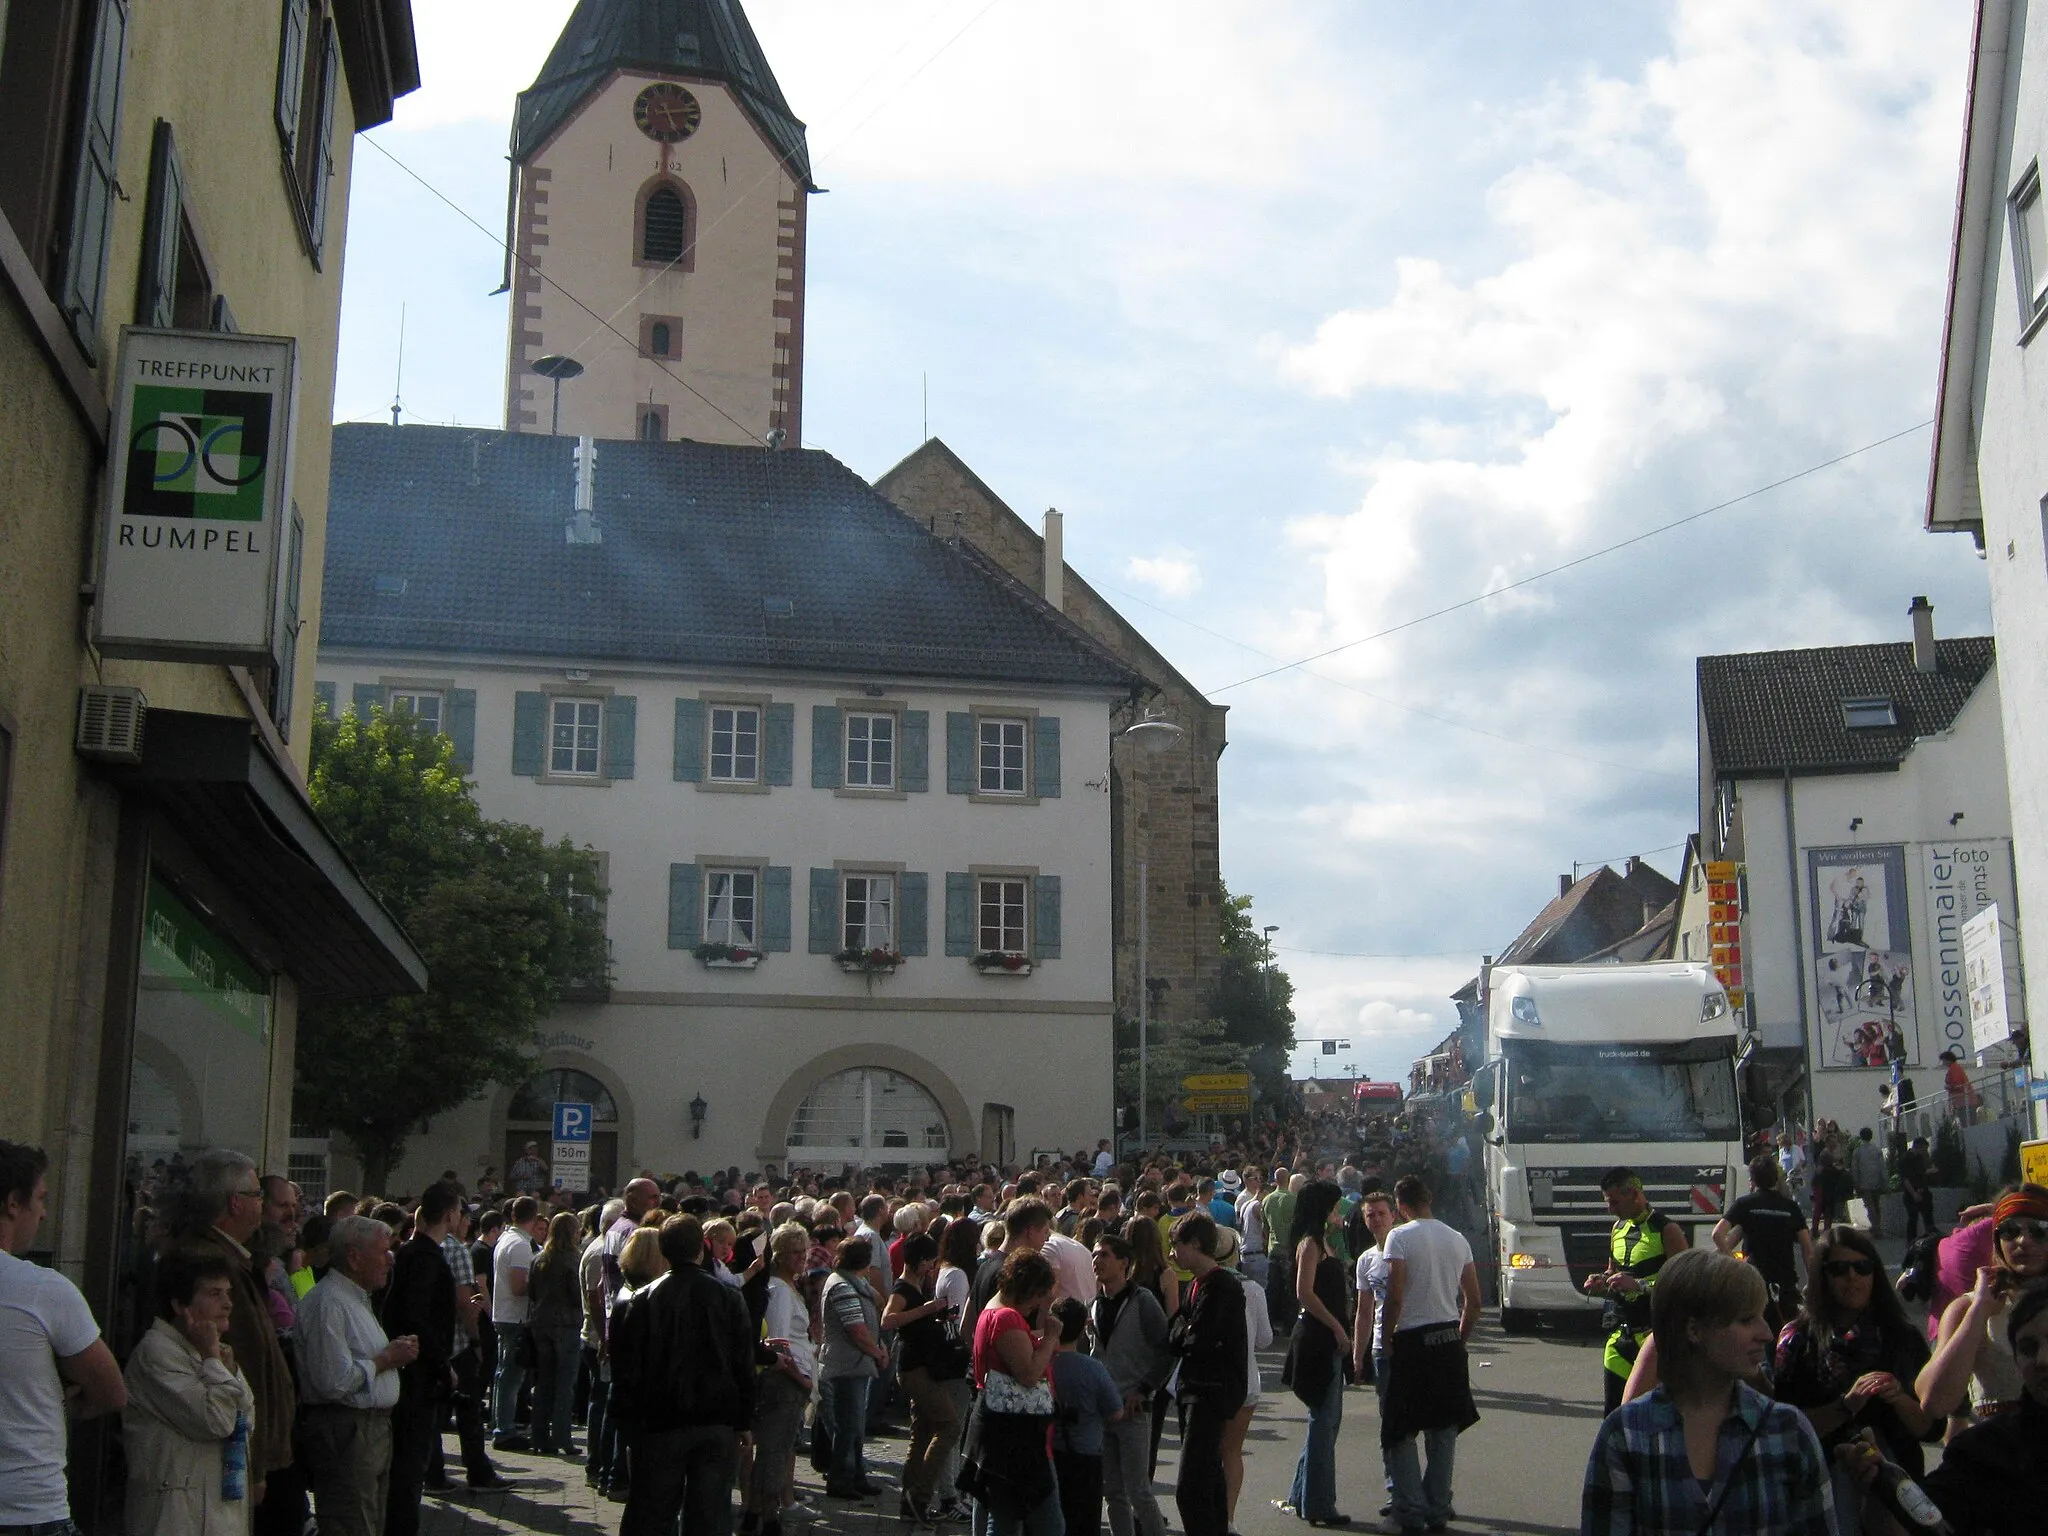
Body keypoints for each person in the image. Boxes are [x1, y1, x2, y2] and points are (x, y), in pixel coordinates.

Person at [1581, 1249, 1834, 1536]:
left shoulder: (1788, 1430)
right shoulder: (1626, 1435)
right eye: (1746, 1319)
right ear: (1694, 1330)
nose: (1766, 1333)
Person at [1769, 1226, 1933, 1530]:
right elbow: (1785, 1427)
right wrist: (1847, 1406)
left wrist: (1898, 1398)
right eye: (1839, 1269)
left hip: (1895, 1482)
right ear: (1822, 1277)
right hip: (1824, 1478)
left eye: (1862, 1267)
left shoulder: (1900, 1337)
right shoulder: (1798, 1340)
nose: (1852, 1278)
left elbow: (1930, 1427)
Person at [0, 1140, 126, 1535]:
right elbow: (111, 1391)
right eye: (40, 1199)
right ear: (12, 1204)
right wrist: (64, 1402)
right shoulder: (40, 1290)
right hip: (28, 1508)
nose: (43, 1214)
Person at [608, 1216, 754, 1536]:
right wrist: (744, 1420)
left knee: (652, 1512)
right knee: (710, 1514)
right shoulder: (729, 1297)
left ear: (663, 1250)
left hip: (660, 1419)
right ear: (700, 1251)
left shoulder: (640, 1300)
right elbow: (743, 1362)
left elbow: (626, 1370)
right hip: (714, 1418)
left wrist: (626, 1424)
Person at [176, 1150, 295, 1510]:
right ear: (234, 1203)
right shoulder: (214, 1264)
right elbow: (240, 1366)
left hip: (265, 1454)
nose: (262, 1207)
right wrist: (252, 1466)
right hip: (246, 1460)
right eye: (257, 1196)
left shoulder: (235, 1260)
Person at [296, 1216, 419, 1536]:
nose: (390, 1259)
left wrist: (391, 1356)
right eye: (383, 1251)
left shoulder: (355, 1297)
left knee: (369, 1521)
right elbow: (333, 1380)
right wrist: (385, 1358)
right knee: (351, 1522)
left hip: (369, 1429)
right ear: (354, 1257)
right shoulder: (328, 1302)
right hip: (347, 1429)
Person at [123, 1247, 257, 1536]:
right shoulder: (157, 1353)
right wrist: (212, 1360)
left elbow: (246, 1420)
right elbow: (217, 1421)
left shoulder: (216, 1353)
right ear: (180, 1305)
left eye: (227, 1293)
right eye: (214, 1294)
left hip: (217, 1512)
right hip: (179, 1516)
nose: (227, 1304)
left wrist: (220, 1363)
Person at [1378, 1175, 1479, 1536]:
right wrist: (1460, 1337)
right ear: (1429, 1199)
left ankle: (1410, 1507)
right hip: (1448, 1339)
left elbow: (1396, 1293)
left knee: (1400, 1430)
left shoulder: (1399, 1236)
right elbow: (1474, 1300)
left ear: (1401, 1206)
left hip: (1413, 1339)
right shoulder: (1457, 1238)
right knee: (1443, 1429)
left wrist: (1387, 1337)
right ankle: (1438, 1507)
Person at [1918, 1279, 2048, 1534]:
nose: (2043, 1360)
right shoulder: (1982, 1453)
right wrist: (1883, 1486)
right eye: (2028, 1348)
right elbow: (1916, 1520)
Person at [1917, 1184, 2048, 1428]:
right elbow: (1935, 1403)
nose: (2023, 1241)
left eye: (2038, 1230)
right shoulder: (1970, 1307)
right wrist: (1979, 1311)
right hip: (2005, 1457)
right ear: (1997, 1240)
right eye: (2009, 1231)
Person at [378, 1182, 460, 1536]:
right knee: (409, 1466)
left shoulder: (410, 1255)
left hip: (410, 1370)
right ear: (448, 1215)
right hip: (416, 1375)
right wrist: (442, 1363)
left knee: (406, 1467)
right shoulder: (424, 1259)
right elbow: (417, 1316)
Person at [962, 1249, 1062, 1536]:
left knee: (998, 1512)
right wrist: (1051, 1337)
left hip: (999, 1431)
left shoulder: (993, 1312)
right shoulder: (1006, 1318)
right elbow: (1029, 1374)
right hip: (1016, 1437)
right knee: (1037, 1522)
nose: (1040, 1303)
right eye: (1039, 1294)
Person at [1169, 1210, 1248, 1536]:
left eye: (1177, 1245)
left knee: (1191, 1488)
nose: (1172, 1253)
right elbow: (1179, 1334)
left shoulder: (1221, 1286)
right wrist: (1181, 1330)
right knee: (1210, 1479)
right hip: (1194, 1388)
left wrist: (1181, 1329)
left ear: (1196, 1243)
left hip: (1211, 1391)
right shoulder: (1197, 1285)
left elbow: (1195, 1340)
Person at [1586, 1168, 1689, 1413]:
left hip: (1655, 1339)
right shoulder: (1618, 1228)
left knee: (1652, 1415)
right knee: (1614, 1416)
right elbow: (1613, 1271)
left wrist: (1640, 1286)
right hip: (1620, 1337)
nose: (1610, 1209)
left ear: (1633, 1193)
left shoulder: (1666, 1229)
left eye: (1614, 1202)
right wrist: (1601, 1280)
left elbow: (1685, 1285)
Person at [1090, 1234, 1173, 1536]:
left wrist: (1145, 1388)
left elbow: (1166, 1350)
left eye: (1104, 1256)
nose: (1096, 1261)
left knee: (1139, 1491)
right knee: (1112, 1492)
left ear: (1124, 1263)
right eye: (1095, 1255)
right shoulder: (1095, 1304)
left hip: (1134, 1408)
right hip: (1104, 1409)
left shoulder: (1142, 1301)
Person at [1281, 1179, 1351, 1526]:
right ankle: (1319, 1503)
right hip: (1318, 1339)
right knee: (1324, 1422)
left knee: (1325, 1421)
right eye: (1335, 1206)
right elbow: (1304, 1292)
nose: (1339, 1213)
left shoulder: (1323, 1240)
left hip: (1326, 1337)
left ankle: (1302, 1493)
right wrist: (1337, 1326)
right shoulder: (1311, 1244)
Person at [884, 1233, 963, 1523]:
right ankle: (920, 1495)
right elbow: (889, 1319)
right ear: (919, 1262)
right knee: (949, 1426)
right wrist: (928, 1309)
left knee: (922, 1432)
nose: (932, 1268)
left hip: (918, 1365)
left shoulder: (915, 1284)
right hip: (915, 1368)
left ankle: (910, 1498)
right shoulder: (904, 1288)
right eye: (929, 1263)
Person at [747, 1224, 817, 1536]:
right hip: (783, 1382)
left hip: (793, 1379)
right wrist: (799, 1378)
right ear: (780, 1255)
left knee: (778, 1449)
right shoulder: (778, 1290)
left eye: (804, 1252)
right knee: (773, 1452)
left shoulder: (787, 1287)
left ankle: (759, 1512)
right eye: (795, 1252)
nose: (802, 1258)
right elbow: (776, 1341)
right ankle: (767, 1516)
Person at [817, 1236, 889, 1499]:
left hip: (857, 1364)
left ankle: (857, 1475)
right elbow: (856, 1331)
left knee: (855, 1427)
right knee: (848, 1427)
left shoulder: (853, 1282)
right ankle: (841, 1480)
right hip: (847, 1365)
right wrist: (877, 1352)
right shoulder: (841, 1287)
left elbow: (878, 1303)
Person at [1048, 1296, 1124, 1536]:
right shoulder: (1092, 1368)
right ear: (1083, 1328)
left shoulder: (1042, 1363)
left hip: (1050, 1454)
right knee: (1085, 1521)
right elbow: (1116, 1412)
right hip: (1086, 1455)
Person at [1712, 1155, 1814, 1332]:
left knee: (1754, 1331)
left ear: (1752, 1180)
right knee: (1785, 1332)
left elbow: (1718, 1235)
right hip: (1785, 1281)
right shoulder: (1790, 1208)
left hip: (1754, 1281)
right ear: (1776, 1179)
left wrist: (1734, 1263)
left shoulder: (1745, 1205)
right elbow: (1807, 1247)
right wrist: (1812, 1281)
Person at [527, 1210, 586, 1457]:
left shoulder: (539, 1258)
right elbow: (576, 1295)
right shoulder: (574, 1259)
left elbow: (531, 1291)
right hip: (567, 1324)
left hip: (541, 1323)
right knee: (565, 1384)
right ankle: (562, 1436)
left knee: (544, 1383)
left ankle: (539, 1435)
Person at [488, 1197, 546, 1450]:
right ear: (533, 1218)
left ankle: (499, 1423)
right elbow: (518, 1285)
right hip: (515, 1315)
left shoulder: (506, 1239)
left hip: (505, 1313)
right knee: (511, 1376)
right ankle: (504, 1429)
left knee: (505, 1374)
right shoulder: (520, 1245)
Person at [1898, 1137, 1937, 1247]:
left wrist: (1929, 1171)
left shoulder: (1920, 1158)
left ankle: (1932, 1237)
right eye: (1923, 1149)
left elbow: (1920, 1173)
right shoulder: (1905, 1159)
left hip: (1923, 1191)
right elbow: (1905, 1179)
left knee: (1928, 1215)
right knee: (1913, 1218)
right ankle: (1911, 1241)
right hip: (1911, 1194)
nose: (1925, 1152)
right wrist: (1914, 1193)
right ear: (1917, 1147)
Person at [1849, 1128, 1887, 1239]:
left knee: (1870, 1206)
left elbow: (1855, 1169)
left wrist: (1856, 1182)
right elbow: (1882, 1167)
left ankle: (1875, 1227)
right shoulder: (1876, 1149)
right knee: (1876, 1205)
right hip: (1877, 1182)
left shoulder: (1858, 1152)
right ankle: (1877, 1226)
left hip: (1864, 1183)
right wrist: (1885, 1181)